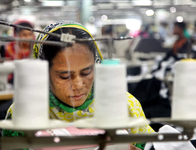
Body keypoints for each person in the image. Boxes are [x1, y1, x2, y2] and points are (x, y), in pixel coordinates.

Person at [3, 20, 154, 150]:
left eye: (86, 72)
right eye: (65, 76)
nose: (78, 84)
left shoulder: (125, 106)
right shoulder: (23, 114)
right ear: (44, 73)